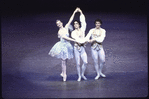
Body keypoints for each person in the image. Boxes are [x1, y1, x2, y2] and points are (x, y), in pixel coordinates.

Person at [48, 8, 79, 81]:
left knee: (66, 59)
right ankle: (64, 75)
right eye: (57, 24)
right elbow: (66, 38)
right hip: (62, 46)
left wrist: (74, 12)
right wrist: (74, 40)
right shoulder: (59, 32)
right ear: (57, 25)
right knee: (63, 61)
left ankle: (62, 72)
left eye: (59, 23)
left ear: (61, 23)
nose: (59, 24)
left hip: (67, 46)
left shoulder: (66, 27)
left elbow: (71, 19)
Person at [71, 8, 88, 81]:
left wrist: (81, 12)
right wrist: (85, 41)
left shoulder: (83, 29)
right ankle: (79, 76)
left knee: (85, 62)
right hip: (76, 48)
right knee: (78, 64)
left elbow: (83, 22)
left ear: (79, 24)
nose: (75, 25)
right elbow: (77, 40)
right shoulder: (73, 32)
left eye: (76, 23)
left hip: (82, 48)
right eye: (74, 24)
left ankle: (82, 74)